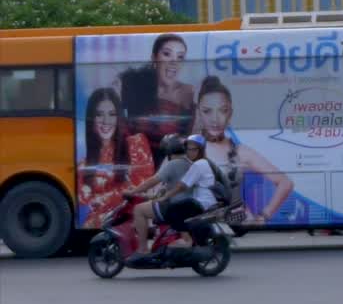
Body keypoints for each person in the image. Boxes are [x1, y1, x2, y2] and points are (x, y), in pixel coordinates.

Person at [190, 75, 294, 225]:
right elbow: (162, 187)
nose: (215, 119)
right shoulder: (188, 148)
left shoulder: (240, 152)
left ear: (230, 113)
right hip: (201, 226)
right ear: (198, 112)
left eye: (223, 110)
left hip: (238, 227)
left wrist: (263, 217)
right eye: (207, 111)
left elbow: (285, 183)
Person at [128, 134, 219, 262]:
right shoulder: (191, 163)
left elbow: (153, 181)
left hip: (174, 205)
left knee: (139, 210)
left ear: (169, 151)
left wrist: (133, 191)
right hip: (189, 205)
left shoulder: (173, 164)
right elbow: (170, 188)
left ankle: (143, 249)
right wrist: (155, 196)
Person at [77, 88, 155, 228]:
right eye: (99, 115)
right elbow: (85, 200)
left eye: (112, 114)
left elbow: (143, 186)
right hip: (101, 225)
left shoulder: (136, 143)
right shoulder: (83, 164)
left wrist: (104, 197)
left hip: (132, 219)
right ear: (91, 119)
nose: (106, 121)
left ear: (118, 117)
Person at [119, 34, 196, 169]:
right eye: (167, 54)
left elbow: (193, 138)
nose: (174, 62)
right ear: (154, 58)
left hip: (174, 166)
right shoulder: (135, 87)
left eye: (180, 57)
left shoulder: (189, 93)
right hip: (136, 165)